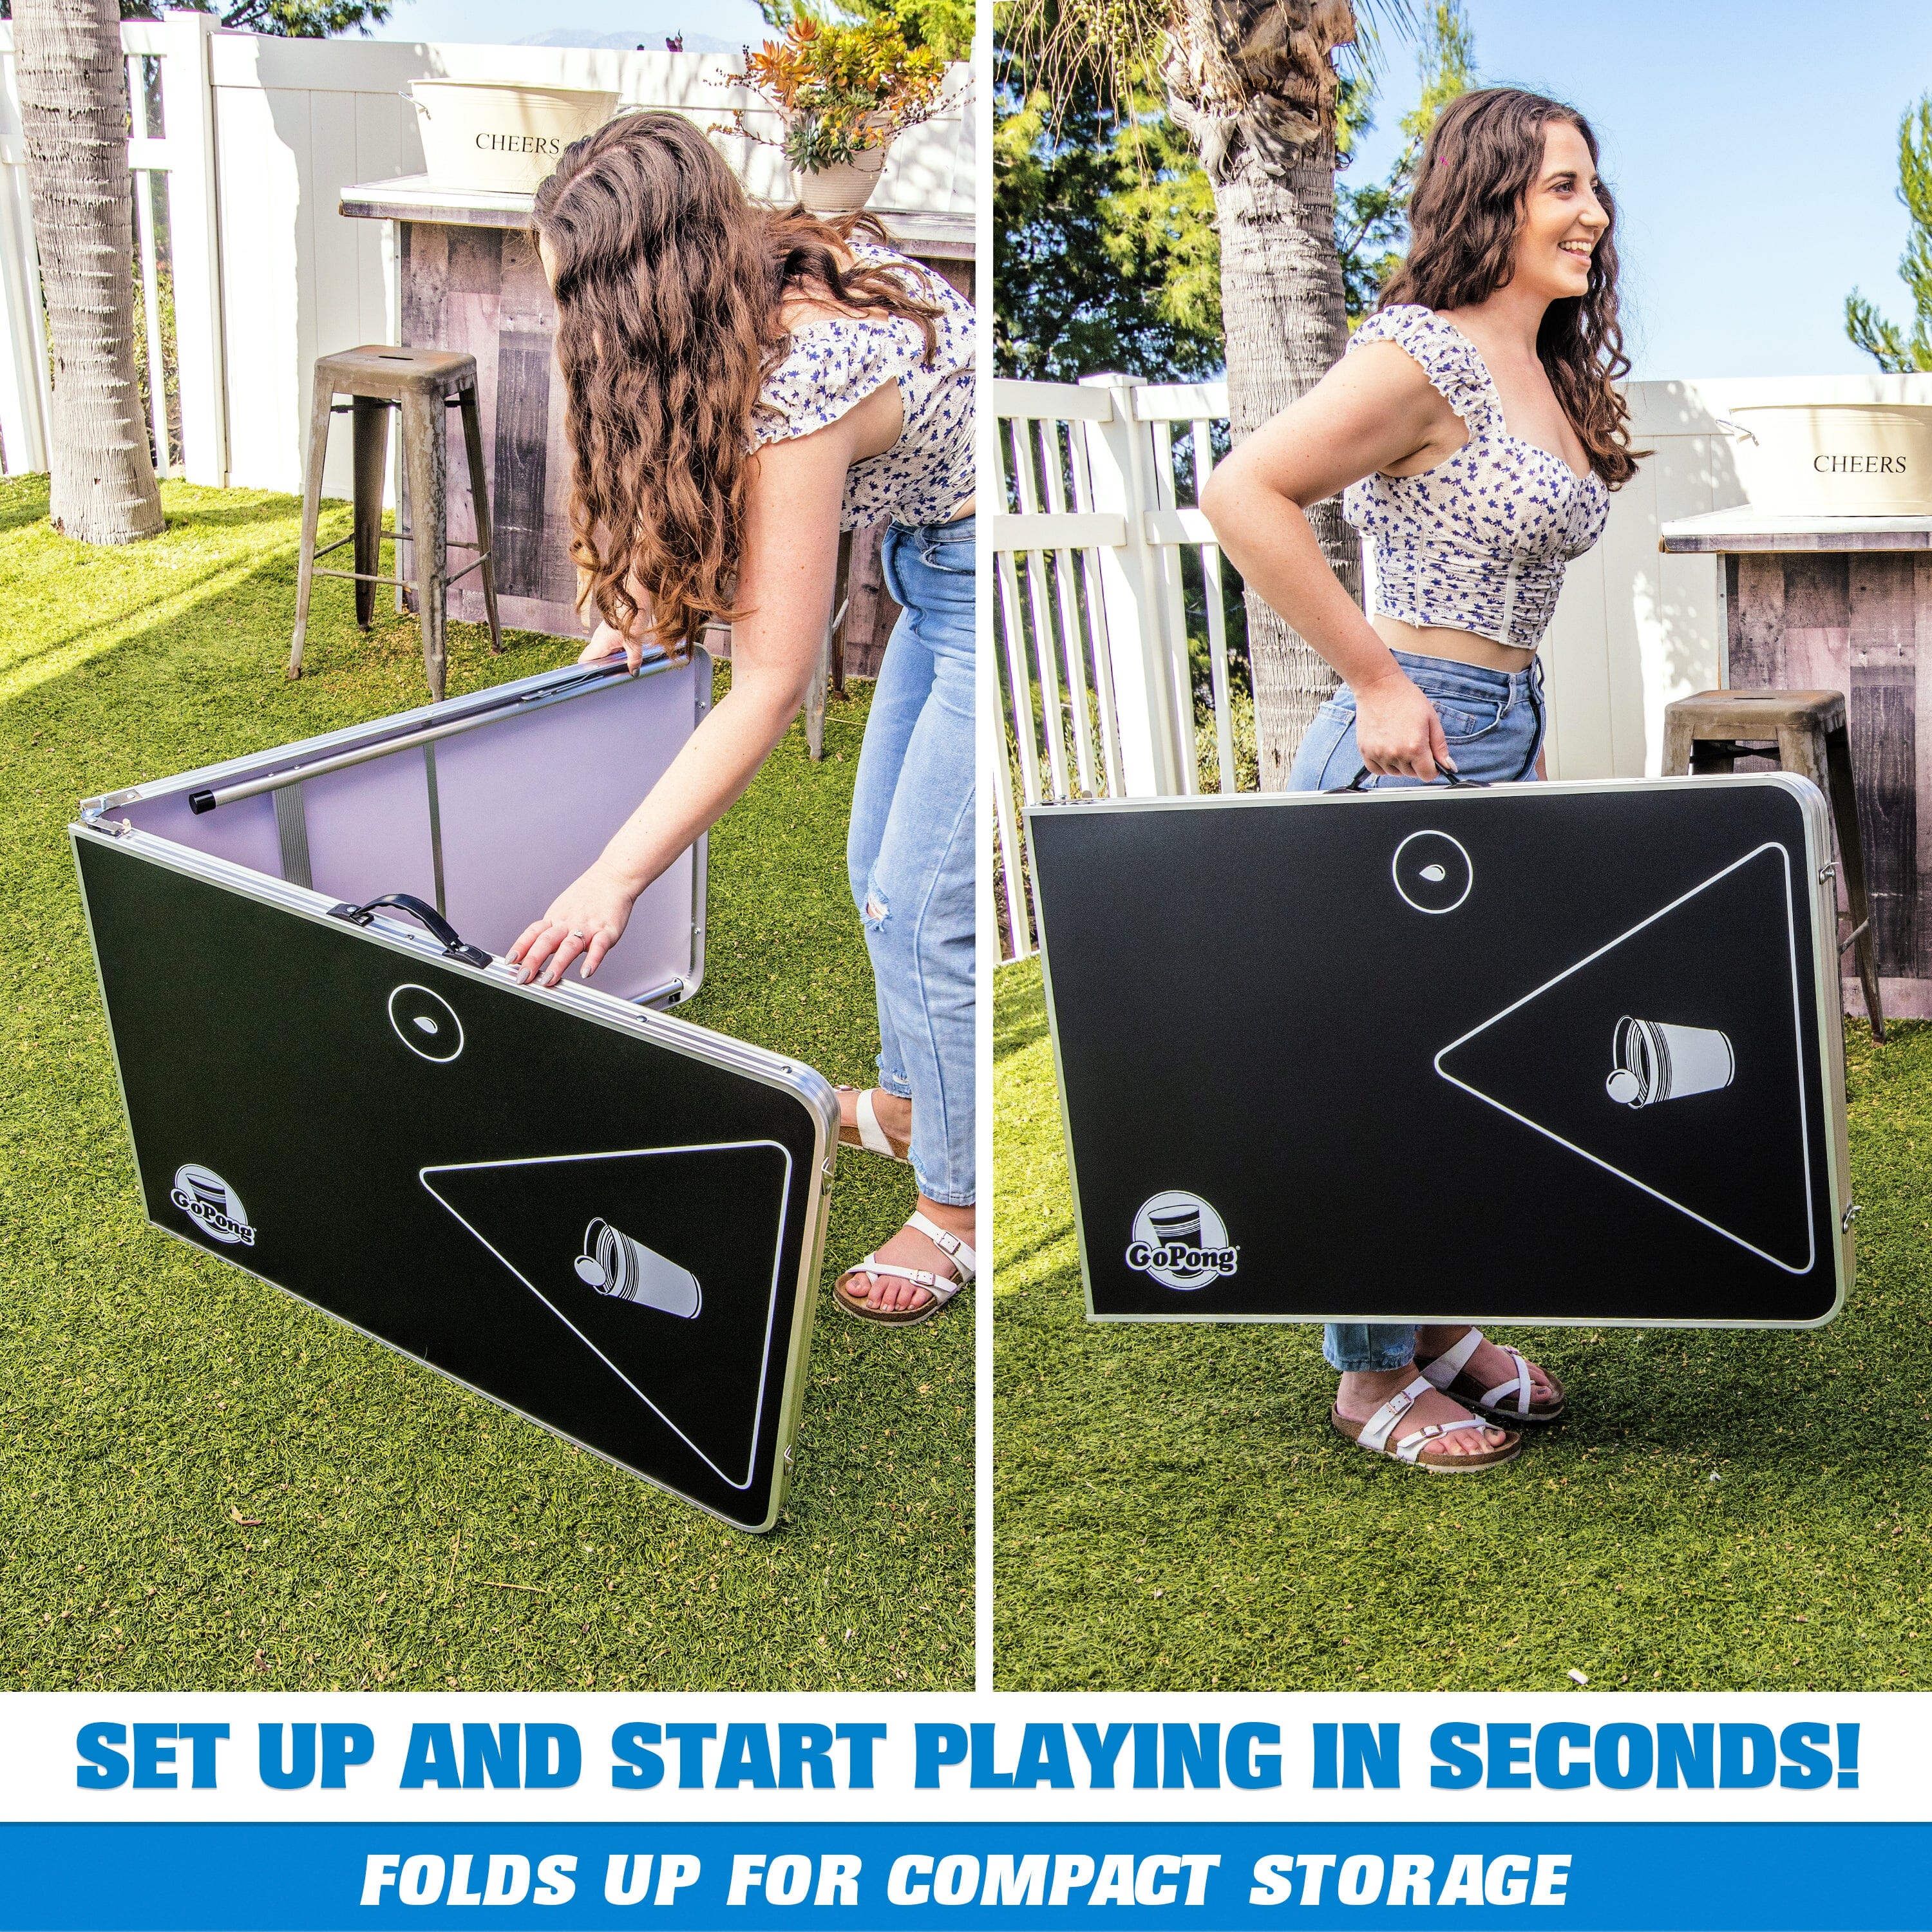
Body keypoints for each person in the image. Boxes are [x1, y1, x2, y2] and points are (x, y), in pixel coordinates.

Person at [1200, 87, 1643, 1470]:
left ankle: (1436, 1323)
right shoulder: (1420, 355)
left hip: (1499, 725)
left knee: (1469, 1053)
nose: (1593, 212)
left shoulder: (1546, 365)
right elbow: (1242, 494)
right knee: (1382, 1065)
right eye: (1562, 187)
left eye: (1596, 187)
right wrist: (1381, 683)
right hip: (1405, 734)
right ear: (1491, 197)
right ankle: (1365, 1371)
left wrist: (1526, 730)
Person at [509, 112, 976, 1328]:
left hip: (990, 569)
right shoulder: (746, 275)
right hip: (935, 556)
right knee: (881, 866)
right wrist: (642, 604)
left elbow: (770, 685)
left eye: (583, 302)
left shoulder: (802, 373)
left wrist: (612, 880)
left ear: (643, 289)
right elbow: (702, 491)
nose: (575, 331)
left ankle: (959, 1210)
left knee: (925, 908)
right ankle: (918, 1107)